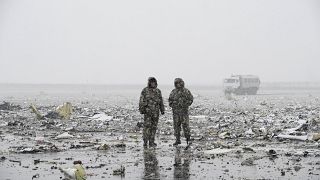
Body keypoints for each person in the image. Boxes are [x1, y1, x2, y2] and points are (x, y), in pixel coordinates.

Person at [139, 77, 165, 148]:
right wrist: (142, 109)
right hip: (147, 112)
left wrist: (162, 109)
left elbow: (161, 101)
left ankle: (151, 142)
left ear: (156, 83)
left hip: (156, 113)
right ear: (149, 83)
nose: (153, 83)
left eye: (154, 82)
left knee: (154, 127)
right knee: (147, 127)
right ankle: (145, 142)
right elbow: (141, 100)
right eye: (151, 82)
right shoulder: (145, 90)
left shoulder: (158, 91)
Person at [169, 78, 193, 146]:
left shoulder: (186, 91)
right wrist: (172, 104)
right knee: (176, 126)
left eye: (179, 83)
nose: (178, 84)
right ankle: (177, 140)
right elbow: (170, 100)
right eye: (177, 83)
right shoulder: (173, 91)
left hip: (184, 112)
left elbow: (191, 99)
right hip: (176, 113)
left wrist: (186, 104)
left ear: (182, 83)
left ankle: (188, 139)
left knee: (185, 126)